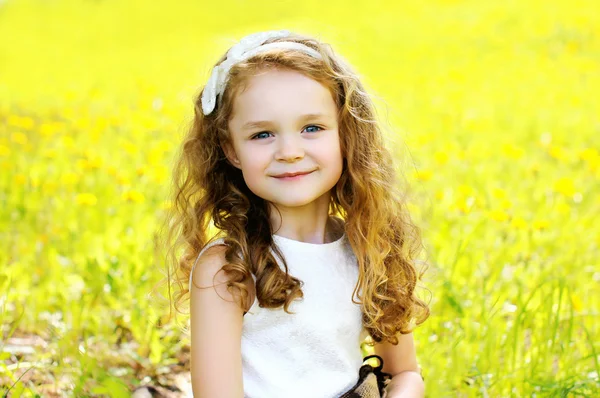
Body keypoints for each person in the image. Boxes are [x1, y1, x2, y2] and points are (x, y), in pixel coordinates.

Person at [163, 29, 430, 398]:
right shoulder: (229, 269)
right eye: (262, 135)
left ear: (345, 134)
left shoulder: (367, 247)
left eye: (311, 128)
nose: (289, 151)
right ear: (232, 149)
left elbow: (405, 374)